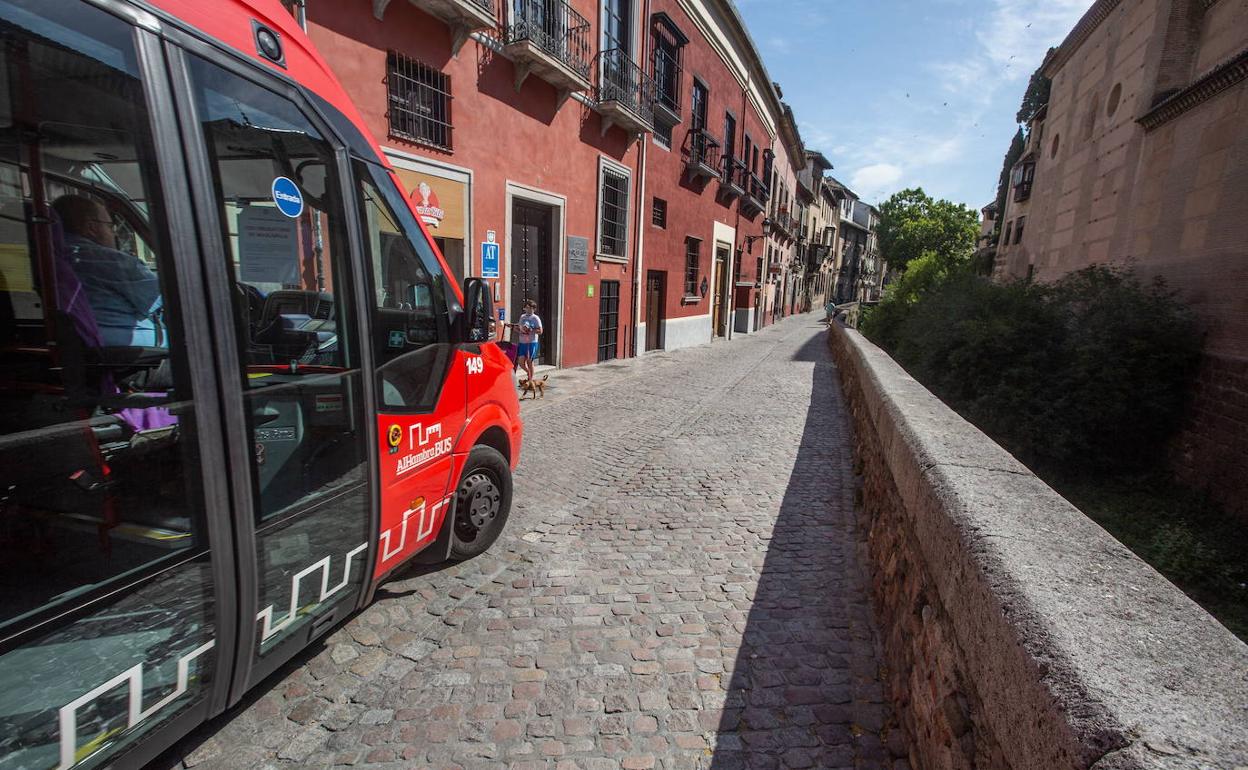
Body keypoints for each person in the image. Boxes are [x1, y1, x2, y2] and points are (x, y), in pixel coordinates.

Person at [52, 194, 166, 348]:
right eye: (110, 226)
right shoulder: (107, 260)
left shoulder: (52, 256)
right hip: (130, 354)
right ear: (91, 228)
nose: (115, 233)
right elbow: (166, 296)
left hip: (83, 348)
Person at [508, 299, 543, 383]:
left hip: (532, 342)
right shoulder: (522, 317)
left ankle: (530, 380)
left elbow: (540, 331)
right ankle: (528, 373)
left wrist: (531, 330)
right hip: (522, 342)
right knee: (520, 362)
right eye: (526, 307)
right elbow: (520, 329)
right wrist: (513, 327)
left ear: (533, 309)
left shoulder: (535, 318)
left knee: (529, 361)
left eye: (529, 308)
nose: (527, 309)